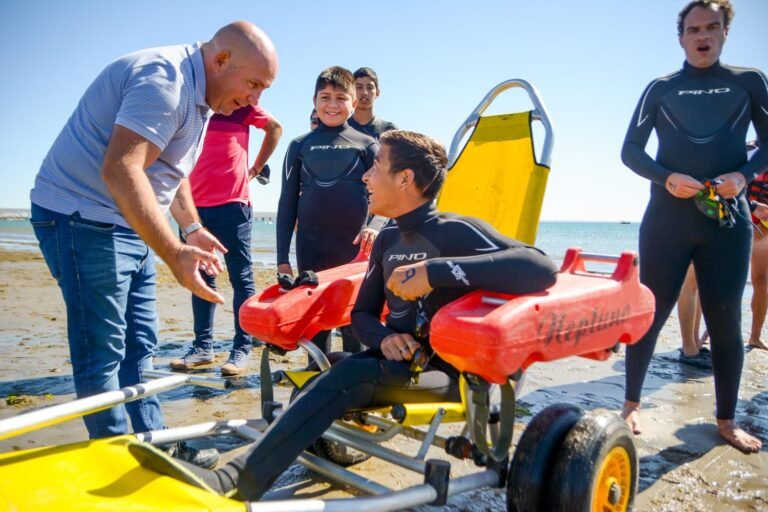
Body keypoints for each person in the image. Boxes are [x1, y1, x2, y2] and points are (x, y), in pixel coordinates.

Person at [128, 129, 558, 500]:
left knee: (349, 375)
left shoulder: (454, 230)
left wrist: (434, 271)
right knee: (332, 368)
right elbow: (363, 317)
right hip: (398, 362)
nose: (365, 176)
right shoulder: (388, 238)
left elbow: (540, 267)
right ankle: (252, 461)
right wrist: (383, 338)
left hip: (452, 374)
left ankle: (235, 478)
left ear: (405, 178)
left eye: (375, 167)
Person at [29, 21, 278, 460]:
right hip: (81, 216)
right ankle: (114, 454)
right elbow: (121, 169)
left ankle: (153, 443)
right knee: (103, 349)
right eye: (254, 84)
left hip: (126, 219)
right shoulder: (165, 82)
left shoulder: (203, 95)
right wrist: (174, 253)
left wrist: (191, 227)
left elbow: (166, 167)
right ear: (221, 60)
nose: (255, 100)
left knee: (140, 342)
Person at [620, 0, 767, 453]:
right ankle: (630, 404)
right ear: (680, 37)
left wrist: (743, 176)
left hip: (728, 219)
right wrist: (667, 177)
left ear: (725, 33)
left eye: (712, 28)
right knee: (650, 311)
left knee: (726, 319)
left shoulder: (748, 82)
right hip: (667, 217)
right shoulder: (661, 88)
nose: (702, 36)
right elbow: (630, 151)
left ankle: (725, 420)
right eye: (693, 29)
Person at [170, 106, 282, 377]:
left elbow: (275, 128)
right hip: (192, 208)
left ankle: (242, 347)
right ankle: (202, 347)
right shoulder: (191, 107)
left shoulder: (240, 105)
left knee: (240, 278)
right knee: (201, 275)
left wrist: (254, 168)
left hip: (233, 205)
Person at [276, 66, 381, 355]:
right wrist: (282, 259)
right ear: (314, 101)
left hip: (355, 252)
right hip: (312, 249)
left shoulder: (368, 145)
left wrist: (377, 225)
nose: (332, 105)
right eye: (325, 97)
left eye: (340, 98)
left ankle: (354, 388)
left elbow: (387, 196)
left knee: (354, 322)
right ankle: (315, 382)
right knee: (317, 323)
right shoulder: (299, 145)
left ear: (354, 102)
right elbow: (286, 204)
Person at [745, 140, 768, 350]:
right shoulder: (748, 150)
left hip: (765, 229)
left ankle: (755, 336)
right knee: (723, 282)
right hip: (739, 223)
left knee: (761, 282)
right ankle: (713, 333)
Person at [348, 67, 398, 140]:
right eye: (359, 87)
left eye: (369, 87)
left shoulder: (389, 130)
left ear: (377, 93)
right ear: (351, 92)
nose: (364, 92)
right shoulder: (341, 128)